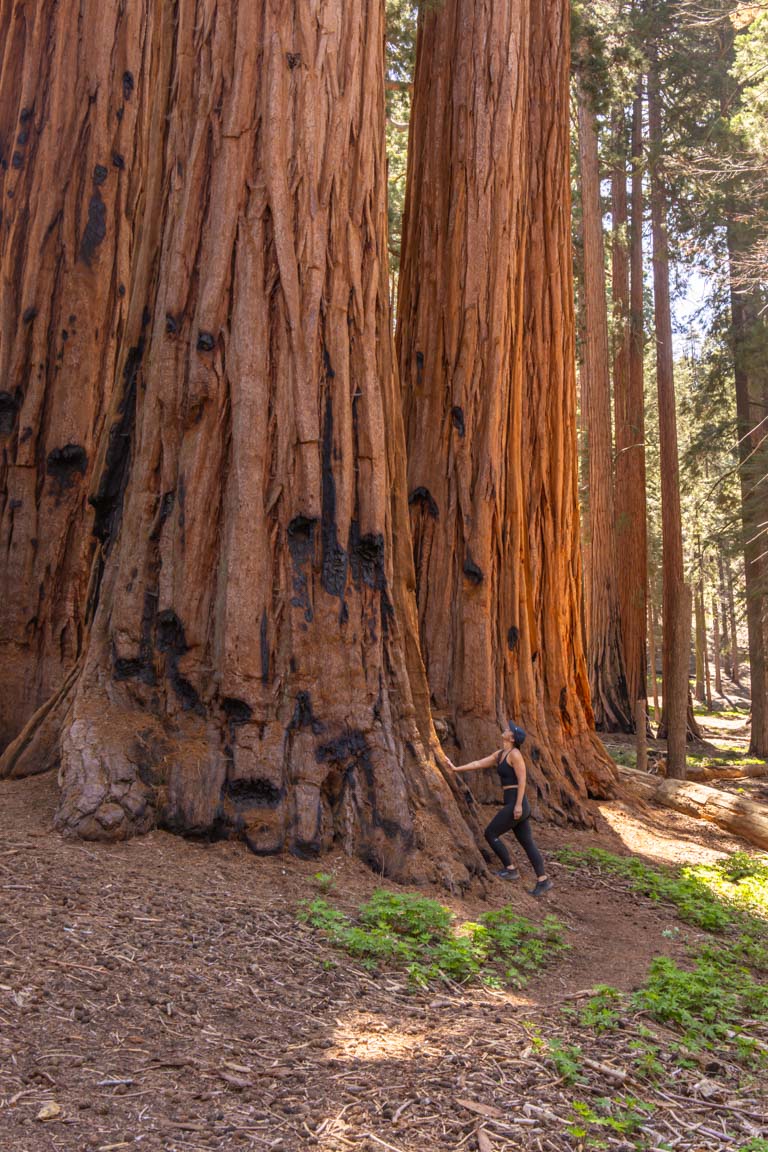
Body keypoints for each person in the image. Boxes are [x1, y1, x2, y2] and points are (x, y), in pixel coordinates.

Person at [448, 722, 552, 896]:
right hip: (513, 803)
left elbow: (522, 781)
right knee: (527, 843)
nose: (506, 729)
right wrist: (456, 768)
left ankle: (510, 869)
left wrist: (518, 805)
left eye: (509, 730)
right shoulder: (501, 754)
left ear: (512, 738)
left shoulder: (515, 754)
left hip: (517, 804)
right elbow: (479, 763)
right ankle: (543, 880)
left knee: (490, 833)